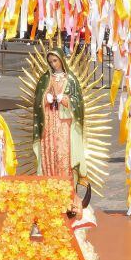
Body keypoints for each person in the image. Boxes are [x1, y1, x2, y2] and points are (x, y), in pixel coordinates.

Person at [32, 50, 87, 182]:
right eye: (50, 62)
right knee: (49, 150)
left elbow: (78, 101)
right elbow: (38, 100)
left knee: (63, 150)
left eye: (55, 60)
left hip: (64, 122)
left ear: (61, 60)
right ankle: (49, 180)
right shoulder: (45, 79)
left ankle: (65, 182)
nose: (53, 64)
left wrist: (66, 99)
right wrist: (45, 99)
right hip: (49, 120)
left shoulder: (71, 79)